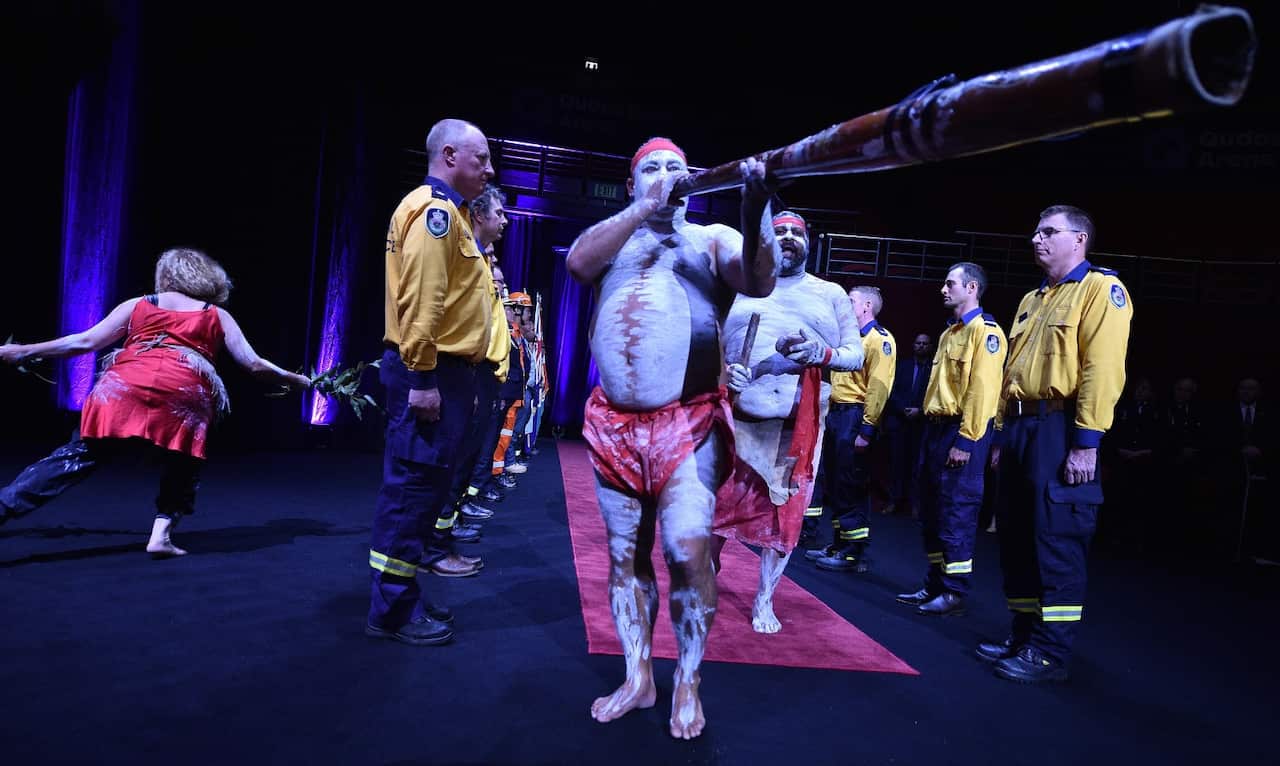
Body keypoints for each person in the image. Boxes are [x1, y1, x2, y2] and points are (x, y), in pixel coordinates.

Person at [567, 137, 777, 739]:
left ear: (695, 180)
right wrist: (642, 208)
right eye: (651, 169)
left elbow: (759, 282)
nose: (664, 177)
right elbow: (578, 264)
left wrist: (755, 204)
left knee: (686, 555)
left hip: (687, 425)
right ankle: (639, 675)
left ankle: (687, 676)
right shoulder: (616, 236)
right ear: (633, 182)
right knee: (623, 556)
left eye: (675, 170)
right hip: (614, 425)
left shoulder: (711, 238)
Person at [0, 248, 311, 554]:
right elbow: (253, 364)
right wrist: (295, 379)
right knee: (184, 458)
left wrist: (24, 350)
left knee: (76, 456)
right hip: (182, 392)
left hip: (125, 387)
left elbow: (85, 341)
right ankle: (161, 535)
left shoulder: (138, 305)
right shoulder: (216, 315)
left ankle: (4, 507)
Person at [979, 205, 1133, 683]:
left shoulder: (1102, 290)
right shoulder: (1032, 298)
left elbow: (1101, 369)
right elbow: (1013, 374)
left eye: (1049, 232)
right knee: (1018, 537)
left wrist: (1087, 442)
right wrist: (1003, 432)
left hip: (1061, 428)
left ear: (1080, 239)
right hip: (1022, 428)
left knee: (1057, 539)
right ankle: (1024, 634)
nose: (1036, 239)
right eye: (1035, 231)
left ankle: (1050, 651)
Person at [369, 118, 494, 647]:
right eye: (481, 158)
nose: (490, 169)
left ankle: (402, 598)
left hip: (445, 373)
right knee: (414, 489)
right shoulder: (436, 214)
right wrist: (422, 377)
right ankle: (391, 612)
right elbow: (423, 302)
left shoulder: (453, 216)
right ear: (448, 156)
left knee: (423, 488)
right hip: (432, 372)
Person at [714, 209, 862, 633]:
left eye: (797, 232)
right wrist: (726, 372)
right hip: (739, 419)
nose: (789, 237)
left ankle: (764, 600)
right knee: (715, 511)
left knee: (785, 518)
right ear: (765, 240)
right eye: (779, 231)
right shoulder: (738, 290)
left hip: (796, 427)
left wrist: (822, 353)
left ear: (809, 241)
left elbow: (856, 354)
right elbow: (710, 346)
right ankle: (704, 584)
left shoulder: (830, 294)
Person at [894, 262, 1005, 616]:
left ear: (971, 288)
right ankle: (935, 583)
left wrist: (967, 440)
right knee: (930, 510)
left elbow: (983, 392)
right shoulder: (948, 334)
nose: (943, 289)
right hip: (934, 428)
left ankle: (955, 591)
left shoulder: (985, 332)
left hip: (961, 429)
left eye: (950, 283)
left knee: (957, 510)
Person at [810, 286, 896, 573]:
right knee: (835, 483)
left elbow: (878, 389)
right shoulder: (847, 340)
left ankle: (853, 552)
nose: (844, 306)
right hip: (836, 414)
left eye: (851, 301)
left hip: (855, 415)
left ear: (867, 305)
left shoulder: (879, 340)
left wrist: (867, 429)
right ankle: (839, 543)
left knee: (852, 483)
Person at [884, 333, 933, 516]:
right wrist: (903, 408)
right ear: (913, 345)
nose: (921, 346)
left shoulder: (934, 369)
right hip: (899, 421)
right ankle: (894, 500)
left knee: (918, 466)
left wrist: (920, 410)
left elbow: (934, 394)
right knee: (897, 464)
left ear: (930, 346)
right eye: (918, 342)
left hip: (921, 423)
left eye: (925, 343)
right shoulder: (902, 366)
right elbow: (891, 390)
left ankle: (915, 504)